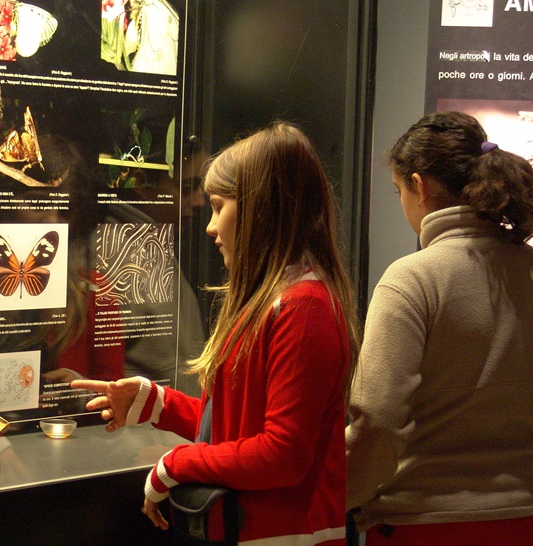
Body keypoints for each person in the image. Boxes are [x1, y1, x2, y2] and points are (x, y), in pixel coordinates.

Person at [73, 121, 359, 544]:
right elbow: (235, 430)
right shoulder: (273, 301)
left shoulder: (304, 308)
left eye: (219, 206)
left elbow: (282, 454)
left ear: (261, 209)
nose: (209, 227)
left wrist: (177, 464)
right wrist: (157, 404)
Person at [345, 111, 533, 545]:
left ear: (419, 185)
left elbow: (378, 419)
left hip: (416, 522)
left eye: (398, 191)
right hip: (516, 521)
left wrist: (347, 495)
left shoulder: (412, 278)